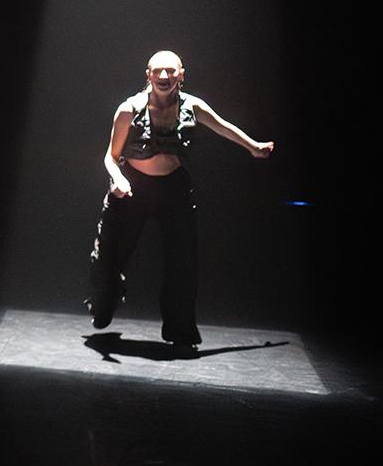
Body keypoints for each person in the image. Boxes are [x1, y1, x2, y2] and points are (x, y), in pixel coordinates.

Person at [86, 51, 274, 353]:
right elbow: (110, 155)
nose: (164, 77)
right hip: (134, 186)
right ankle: (104, 304)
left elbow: (223, 126)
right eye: (158, 71)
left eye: (170, 72)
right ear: (148, 74)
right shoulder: (128, 110)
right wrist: (119, 179)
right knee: (110, 251)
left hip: (173, 187)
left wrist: (254, 147)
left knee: (183, 260)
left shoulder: (192, 106)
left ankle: (180, 327)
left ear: (181, 75)